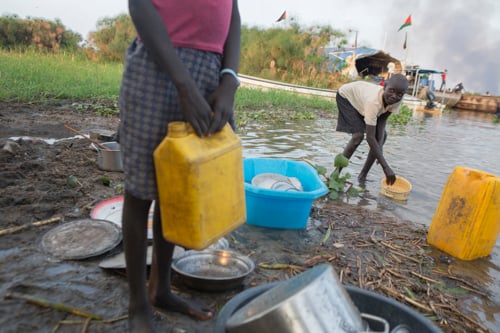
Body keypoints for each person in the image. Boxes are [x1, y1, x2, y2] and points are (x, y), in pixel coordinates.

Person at [117, 0, 241, 332]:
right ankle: (137, 305)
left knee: (178, 187)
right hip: (158, 64)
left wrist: (229, 80)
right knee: (141, 190)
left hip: (210, 73)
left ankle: (160, 289)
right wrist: (182, 84)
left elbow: (233, 14)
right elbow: (140, 4)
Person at [335, 74, 409, 185]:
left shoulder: (396, 100)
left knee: (382, 136)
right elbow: (370, 137)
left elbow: (382, 121)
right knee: (358, 136)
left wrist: (380, 150)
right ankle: (335, 174)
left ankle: (362, 176)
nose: (394, 96)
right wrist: (386, 167)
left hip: (361, 100)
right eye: (391, 91)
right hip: (347, 97)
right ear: (384, 86)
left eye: (399, 94)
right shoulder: (373, 102)